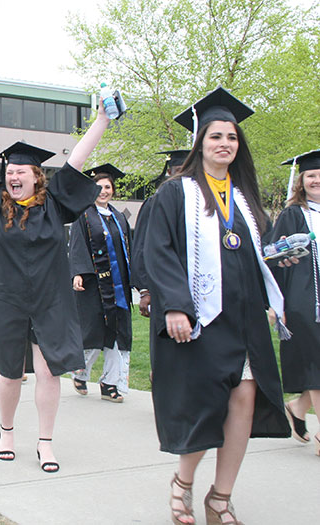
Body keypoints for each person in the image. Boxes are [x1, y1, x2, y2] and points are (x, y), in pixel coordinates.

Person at [0, 91, 111, 473]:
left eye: (20, 173)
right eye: (9, 172)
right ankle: (6, 432)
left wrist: (102, 122)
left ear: (36, 177)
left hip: (50, 300)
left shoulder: (54, 203)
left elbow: (77, 159)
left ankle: (45, 442)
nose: (12, 176)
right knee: (10, 372)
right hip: (6, 299)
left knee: (47, 371)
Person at [145, 87, 291, 525]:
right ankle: (183, 483)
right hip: (200, 320)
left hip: (243, 321)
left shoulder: (246, 200)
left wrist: (278, 258)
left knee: (245, 396)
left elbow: (250, 257)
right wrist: (174, 306)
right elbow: (159, 252)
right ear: (200, 144)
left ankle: (220, 497)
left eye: (231, 138)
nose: (225, 143)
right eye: (215, 137)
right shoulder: (176, 194)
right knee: (204, 404)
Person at [69, 164, 133, 402]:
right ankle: (80, 372)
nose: (103, 191)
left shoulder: (118, 218)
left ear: (113, 190)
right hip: (93, 285)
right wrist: (77, 273)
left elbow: (128, 249)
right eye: (98, 187)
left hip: (119, 287)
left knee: (117, 334)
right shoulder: (83, 215)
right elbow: (76, 246)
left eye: (107, 187)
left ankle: (110, 383)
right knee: (94, 334)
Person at [272, 149, 320, 456]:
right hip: (303, 301)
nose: (317, 181)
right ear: (301, 181)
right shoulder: (292, 215)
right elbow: (273, 259)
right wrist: (279, 306)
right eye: (312, 176)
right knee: (316, 364)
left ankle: (297, 407)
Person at [130, 150, 190, 318]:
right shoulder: (155, 203)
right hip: (164, 285)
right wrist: (144, 289)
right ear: (169, 172)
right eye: (178, 171)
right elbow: (141, 246)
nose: (183, 176)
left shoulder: (198, 204)